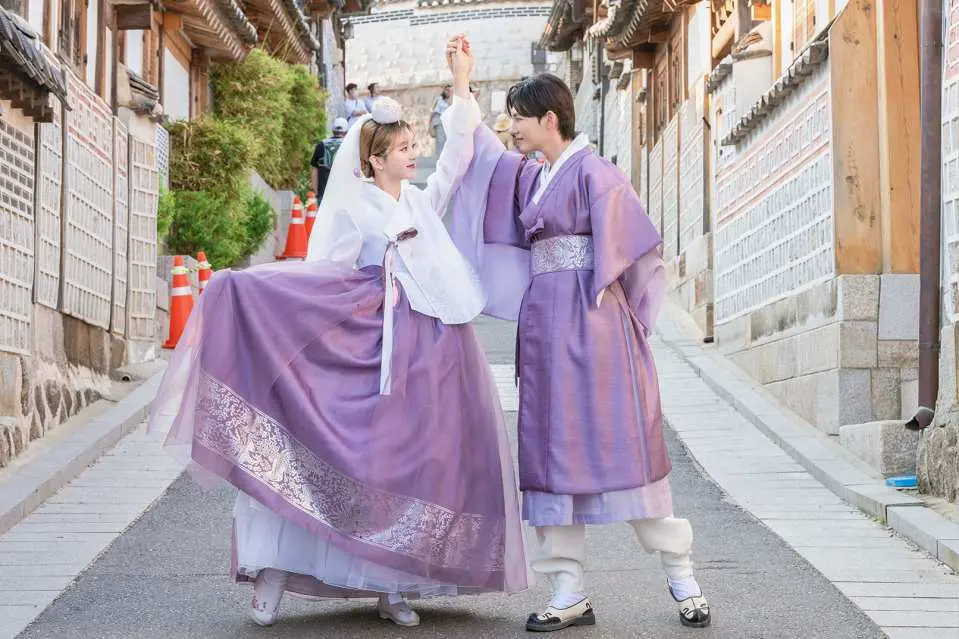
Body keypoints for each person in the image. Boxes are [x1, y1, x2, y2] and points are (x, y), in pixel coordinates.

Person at [148, 39, 527, 629]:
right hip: (370, 344)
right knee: (338, 453)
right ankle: (272, 572)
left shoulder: (422, 203)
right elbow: (326, 275)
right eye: (402, 148)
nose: (412, 155)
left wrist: (460, 82)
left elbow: (455, 159)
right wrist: (243, 289)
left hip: (427, 349)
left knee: (411, 461)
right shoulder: (355, 208)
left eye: (411, 146)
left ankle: (392, 584)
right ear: (373, 159)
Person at [447, 40, 711, 633]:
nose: (509, 126)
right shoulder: (527, 176)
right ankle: (567, 589)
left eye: (518, 116)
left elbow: (638, 257)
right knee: (547, 452)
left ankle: (681, 572)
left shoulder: (596, 172)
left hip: (597, 329)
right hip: (544, 329)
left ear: (548, 119)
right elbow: (480, 156)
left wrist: (627, 323)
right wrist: (462, 81)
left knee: (623, 445)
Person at [310, 117, 348, 201]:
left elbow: (314, 170)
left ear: (333, 131)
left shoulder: (321, 145)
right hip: (344, 196)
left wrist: (315, 192)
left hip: (324, 195)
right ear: (346, 132)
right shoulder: (349, 146)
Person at [429, 84, 451, 156]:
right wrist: (430, 124)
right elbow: (433, 111)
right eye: (446, 90)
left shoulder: (449, 101)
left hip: (446, 123)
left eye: (449, 90)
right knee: (440, 142)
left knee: (446, 142)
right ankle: (439, 160)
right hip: (439, 121)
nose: (448, 92)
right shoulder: (439, 99)